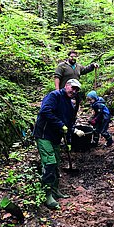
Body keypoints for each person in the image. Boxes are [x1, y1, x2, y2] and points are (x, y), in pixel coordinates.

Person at [33, 79, 85, 209]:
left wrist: (72, 132)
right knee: (49, 162)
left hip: (56, 137)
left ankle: (55, 190)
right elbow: (45, 111)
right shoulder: (54, 96)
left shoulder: (70, 103)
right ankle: (47, 194)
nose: (74, 91)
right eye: (72, 88)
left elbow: (68, 122)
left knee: (56, 162)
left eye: (76, 90)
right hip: (44, 135)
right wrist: (60, 125)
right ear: (66, 86)